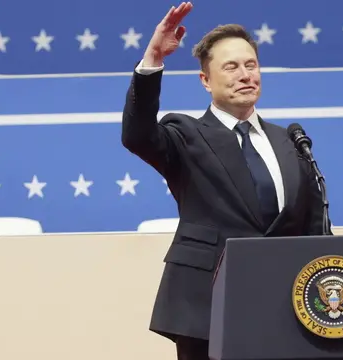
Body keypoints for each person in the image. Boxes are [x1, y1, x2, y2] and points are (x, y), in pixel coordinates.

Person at [121, 2, 328, 359]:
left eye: (251, 65)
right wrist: (153, 59)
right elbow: (137, 135)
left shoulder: (291, 141)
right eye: (231, 67)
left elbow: (315, 230)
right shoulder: (185, 134)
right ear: (205, 80)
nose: (245, 75)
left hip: (288, 310)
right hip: (207, 309)